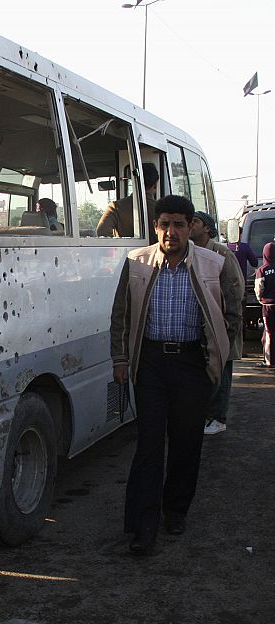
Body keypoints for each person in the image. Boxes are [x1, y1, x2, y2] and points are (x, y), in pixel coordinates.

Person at [110, 195, 235, 555]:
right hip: (149, 363)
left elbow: (230, 312)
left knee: (185, 443)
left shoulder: (213, 263)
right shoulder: (137, 263)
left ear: (191, 226)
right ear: (155, 226)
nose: (171, 231)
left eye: (179, 224)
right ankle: (143, 525)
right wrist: (120, 359)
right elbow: (121, 314)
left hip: (192, 365)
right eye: (165, 223)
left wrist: (219, 358)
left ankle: (176, 511)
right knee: (149, 444)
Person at [189, 211, 245, 435]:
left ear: (207, 228)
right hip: (198, 325)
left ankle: (218, 418)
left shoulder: (221, 253)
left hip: (222, 322)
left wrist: (228, 322)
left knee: (222, 370)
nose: (191, 225)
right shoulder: (189, 252)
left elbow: (235, 289)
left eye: (196, 222)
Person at [96, 162, 160, 243]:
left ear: (133, 182)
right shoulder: (162, 209)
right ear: (155, 185)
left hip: (126, 254)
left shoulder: (115, 207)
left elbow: (102, 232)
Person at [254, 241, 275, 369]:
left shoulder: (262, 270)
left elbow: (259, 289)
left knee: (269, 333)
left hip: (269, 305)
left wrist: (260, 299)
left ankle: (269, 361)